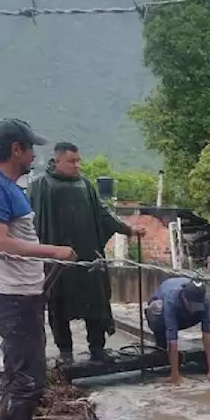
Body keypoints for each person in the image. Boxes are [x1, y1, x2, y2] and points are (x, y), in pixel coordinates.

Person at [0, 118, 77, 420]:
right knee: (25, 381)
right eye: (30, 147)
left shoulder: (9, 187)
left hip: (25, 296)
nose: (34, 154)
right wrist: (54, 252)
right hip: (12, 299)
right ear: (16, 149)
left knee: (30, 379)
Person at [29, 142, 144, 366]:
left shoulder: (85, 185)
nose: (77, 165)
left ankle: (98, 349)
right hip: (57, 261)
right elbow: (28, 222)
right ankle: (65, 353)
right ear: (57, 160)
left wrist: (129, 230)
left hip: (88, 258)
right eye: (72, 161)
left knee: (96, 302)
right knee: (58, 306)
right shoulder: (41, 186)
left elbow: (103, 214)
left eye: (78, 160)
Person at [145, 276, 210, 385]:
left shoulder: (205, 300)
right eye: (193, 305)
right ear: (184, 298)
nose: (194, 309)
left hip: (189, 316)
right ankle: (161, 345)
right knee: (156, 308)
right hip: (166, 314)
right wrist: (175, 375)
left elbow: (207, 334)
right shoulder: (171, 300)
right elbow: (173, 340)